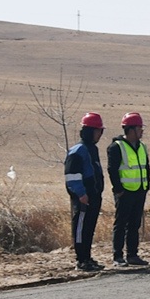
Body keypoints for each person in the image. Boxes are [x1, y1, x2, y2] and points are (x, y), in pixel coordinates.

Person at [107, 112, 150, 266]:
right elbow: (112, 170)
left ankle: (132, 254)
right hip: (125, 192)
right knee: (121, 224)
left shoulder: (142, 147)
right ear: (131, 129)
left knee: (134, 224)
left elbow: (146, 167)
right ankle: (117, 256)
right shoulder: (116, 147)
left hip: (139, 190)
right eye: (139, 128)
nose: (142, 131)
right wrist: (119, 190)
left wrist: (146, 186)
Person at [64, 112, 106, 271]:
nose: (99, 134)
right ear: (89, 131)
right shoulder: (78, 150)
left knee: (89, 229)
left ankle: (87, 257)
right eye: (97, 131)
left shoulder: (91, 149)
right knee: (81, 230)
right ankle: (81, 260)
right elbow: (71, 176)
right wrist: (81, 194)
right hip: (83, 198)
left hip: (93, 197)